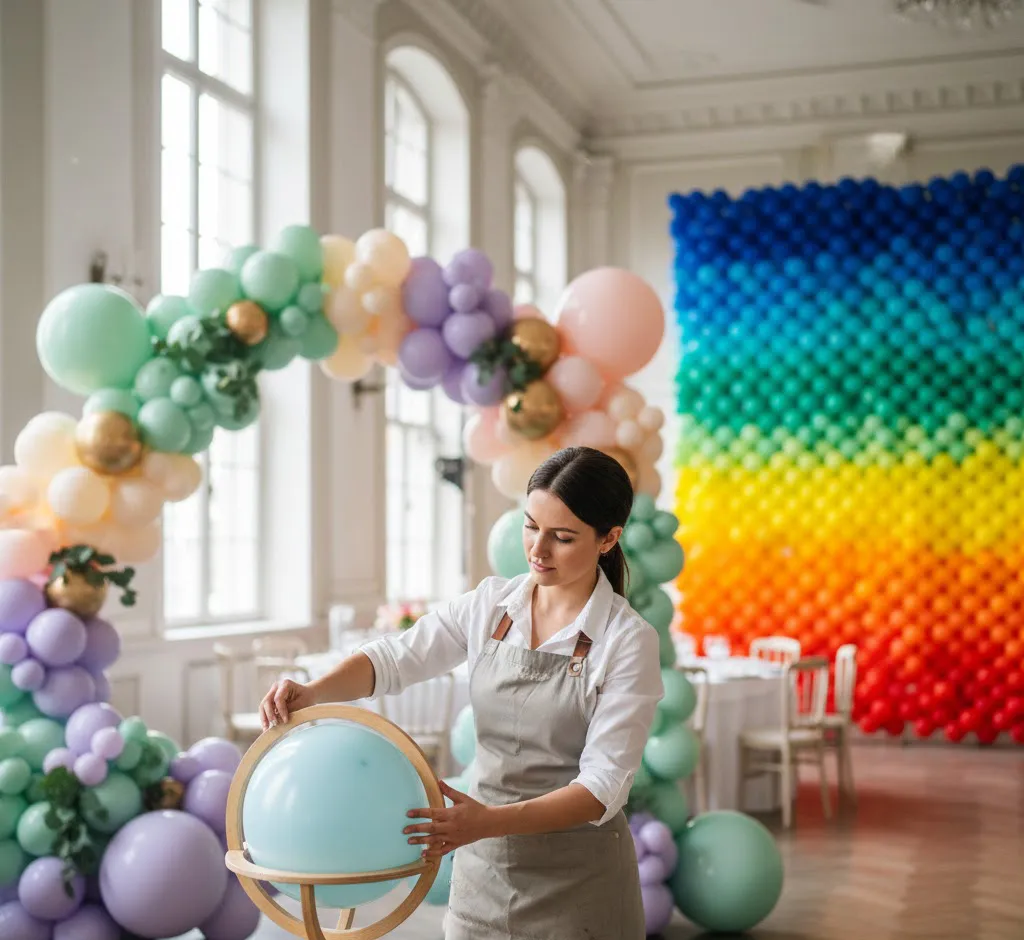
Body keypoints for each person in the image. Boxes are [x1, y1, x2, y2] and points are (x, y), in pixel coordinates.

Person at [260, 446, 664, 939]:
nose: (537, 550)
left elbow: (601, 787)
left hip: (580, 885)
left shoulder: (627, 640)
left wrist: (486, 822)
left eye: (562, 537)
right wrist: (315, 691)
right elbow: (396, 658)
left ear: (609, 539)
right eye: (531, 525)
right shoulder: (492, 605)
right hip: (483, 876)